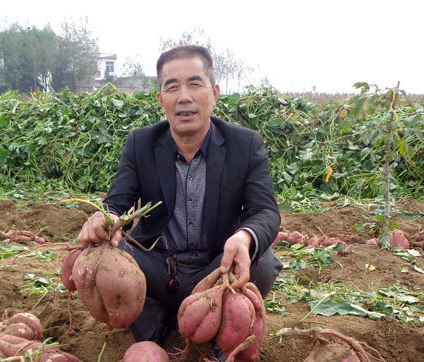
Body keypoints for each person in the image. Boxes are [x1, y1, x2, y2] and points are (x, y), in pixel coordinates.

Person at [77, 45, 282, 345]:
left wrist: (244, 237)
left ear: (214, 92)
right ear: (161, 100)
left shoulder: (245, 145)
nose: (184, 96)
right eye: (172, 87)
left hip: (215, 269)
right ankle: (153, 333)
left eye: (195, 84)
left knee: (262, 262)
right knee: (102, 254)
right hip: (156, 268)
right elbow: (117, 201)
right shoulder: (141, 143)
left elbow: (266, 211)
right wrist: (105, 217)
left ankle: (217, 343)